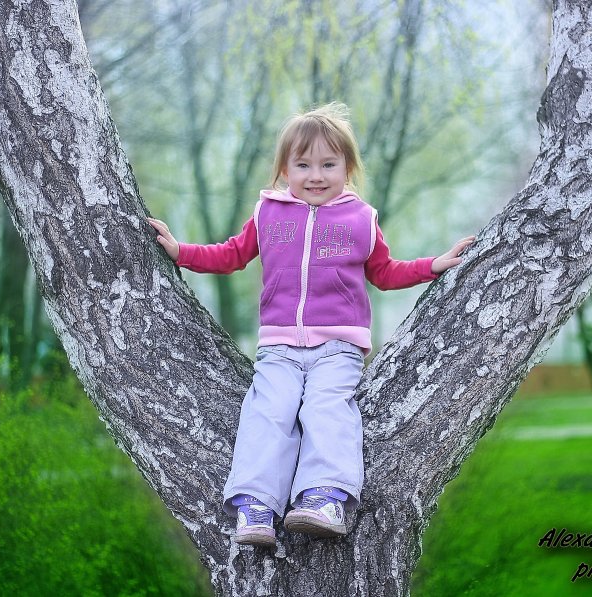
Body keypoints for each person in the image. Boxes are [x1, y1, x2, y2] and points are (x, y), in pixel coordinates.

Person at [148, 102, 474, 547]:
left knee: (326, 410)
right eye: (303, 165)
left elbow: (384, 271)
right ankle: (256, 505)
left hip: (338, 347)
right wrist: (180, 252)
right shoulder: (268, 214)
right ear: (285, 169)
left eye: (328, 164)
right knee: (269, 412)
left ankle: (323, 497)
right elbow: (230, 255)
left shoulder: (361, 219)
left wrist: (433, 265)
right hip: (280, 346)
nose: (316, 175)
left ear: (347, 168)